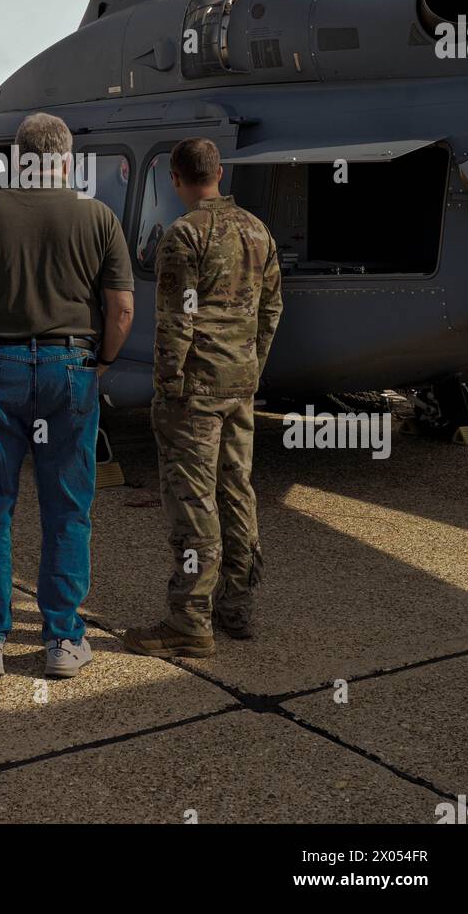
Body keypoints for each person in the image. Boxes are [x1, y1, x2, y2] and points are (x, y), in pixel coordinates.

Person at [0, 112, 135, 681]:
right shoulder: (98, 217)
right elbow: (120, 308)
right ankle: (63, 640)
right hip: (70, 368)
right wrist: (102, 363)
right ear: (67, 160)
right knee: (68, 508)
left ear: (17, 159)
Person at [124, 137, 283, 660]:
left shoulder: (184, 235)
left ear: (176, 178)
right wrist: (252, 366)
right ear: (219, 173)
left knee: (194, 501)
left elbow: (176, 320)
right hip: (239, 383)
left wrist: (168, 386)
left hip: (195, 390)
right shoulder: (257, 230)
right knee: (236, 489)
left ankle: (189, 618)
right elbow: (270, 310)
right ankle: (236, 605)